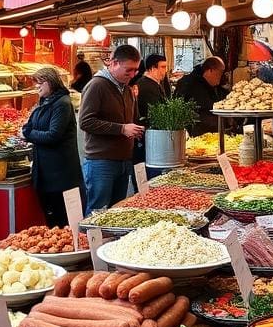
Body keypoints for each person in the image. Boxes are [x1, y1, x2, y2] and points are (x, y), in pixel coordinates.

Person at [79, 44, 143, 213]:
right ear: (113, 63)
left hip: (123, 160)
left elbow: (131, 119)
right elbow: (85, 122)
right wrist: (122, 129)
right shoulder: (97, 85)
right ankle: (88, 239)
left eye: (136, 70)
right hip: (101, 161)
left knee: (116, 212)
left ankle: (111, 240)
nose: (133, 74)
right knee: (97, 211)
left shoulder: (127, 89)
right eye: (128, 70)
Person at [21, 67, 84, 227]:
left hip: (60, 175)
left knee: (62, 221)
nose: (37, 86)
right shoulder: (44, 101)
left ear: (50, 83)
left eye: (40, 82)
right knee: (52, 221)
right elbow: (29, 125)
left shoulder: (62, 104)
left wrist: (28, 134)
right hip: (46, 173)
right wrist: (28, 131)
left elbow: (52, 135)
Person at [133, 54, 169, 171]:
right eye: (163, 67)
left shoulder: (155, 84)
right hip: (148, 139)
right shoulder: (146, 86)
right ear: (152, 68)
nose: (165, 71)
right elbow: (154, 113)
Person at [174, 57, 226, 137]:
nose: (220, 77)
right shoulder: (188, 84)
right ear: (210, 70)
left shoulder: (215, 87)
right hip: (195, 132)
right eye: (219, 73)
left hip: (213, 132)